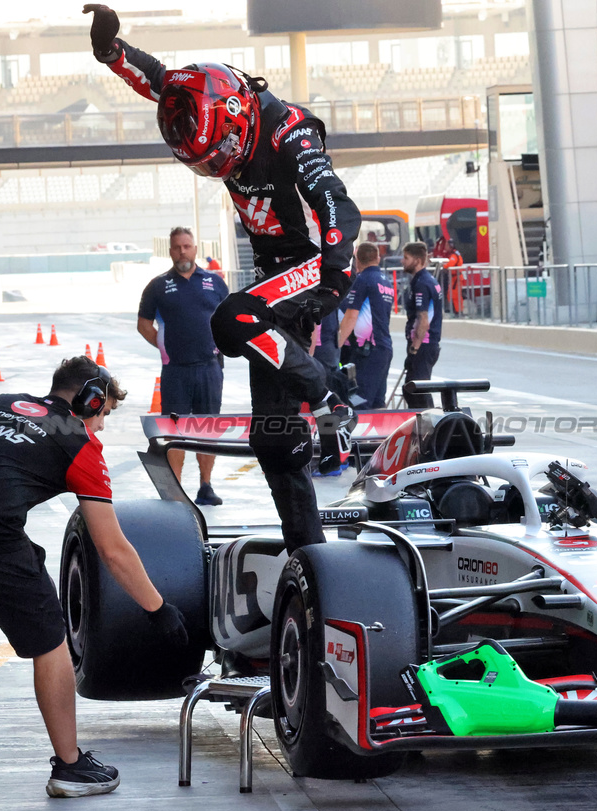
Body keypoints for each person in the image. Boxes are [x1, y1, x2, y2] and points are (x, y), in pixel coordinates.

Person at [86, 4, 360, 552]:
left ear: (239, 115)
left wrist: (331, 270)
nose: (220, 168)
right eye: (206, 163)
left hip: (318, 264)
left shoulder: (290, 133)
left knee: (230, 318)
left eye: (223, 154)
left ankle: (331, 393)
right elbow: (161, 81)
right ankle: (308, 553)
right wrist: (111, 52)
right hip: (274, 282)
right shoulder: (204, 97)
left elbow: (334, 200)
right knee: (272, 439)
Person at [0, 357, 189, 809]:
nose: (102, 426)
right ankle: (69, 766)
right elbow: (112, 548)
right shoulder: (79, 442)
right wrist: (157, 609)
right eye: (103, 413)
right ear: (89, 398)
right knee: (51, 646)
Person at [137, 226, 229, 506]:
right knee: (174, 430)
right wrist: (165, 347)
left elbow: (229, 321)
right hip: (175, 370)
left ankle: (206, 486)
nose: (182, 251)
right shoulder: (158, 286)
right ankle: (176, 492)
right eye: (177, 247)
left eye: (187, 246)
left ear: (196, 249)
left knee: (207, 428)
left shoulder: (215, 282)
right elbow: (143, 325)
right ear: (170, 251)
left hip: (209, 368)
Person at [338, 241, 395, 409]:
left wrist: (337, 344)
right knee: (378, 403)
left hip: (367, 351)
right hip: (384, 348)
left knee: (359, 402)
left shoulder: (362, 280)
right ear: (377, 258)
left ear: (357, 260)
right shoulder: (386, 281)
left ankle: (359, 436)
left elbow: (351, 316)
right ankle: (380, 436)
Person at [401, 242, 442, 408]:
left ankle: (431, 428)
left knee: (416, 391)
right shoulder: (427, 280)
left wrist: (414, 348)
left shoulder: (422, 284)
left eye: (406, 258)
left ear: (417, 260)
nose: (402, 261)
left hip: (423, 345)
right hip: (427, 344)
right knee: (413, 390)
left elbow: (423, 319)